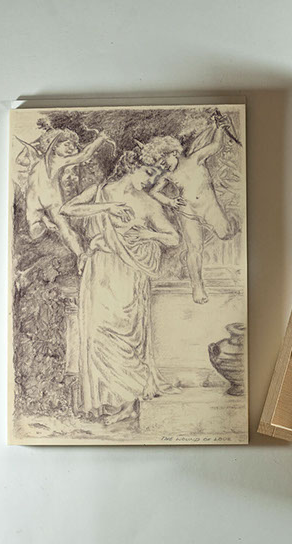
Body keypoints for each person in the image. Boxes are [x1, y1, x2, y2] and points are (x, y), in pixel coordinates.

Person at [59, 141, 182, 424]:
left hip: (127, 274)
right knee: (96, 334)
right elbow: (68, 209)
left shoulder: (149, 203)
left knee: (125, 337)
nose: (150, 180)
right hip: (99, 270)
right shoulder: (100, 191)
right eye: (148, 172)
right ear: (131, 166)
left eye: (155, 175)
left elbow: (173, 237)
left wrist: (149, 235)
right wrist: (108, 206)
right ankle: (110, 401)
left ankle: (129, 405)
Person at [146, 112, 238, 304]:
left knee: (226, 234)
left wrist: (220, 129)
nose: (162, 166)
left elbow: (215, 146)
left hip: (209, 207)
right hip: (187, 212)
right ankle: (197, 287)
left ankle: (229, 226)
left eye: (163, 161)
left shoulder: (195, 158)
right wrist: (170, 202)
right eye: (158, 164)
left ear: (173, 153)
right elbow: (154, 192)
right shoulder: (167, 176)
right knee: (194, 248)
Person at [23, 128, 115, 272]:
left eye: (72, 145)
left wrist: (100, 139)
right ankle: (79, 254)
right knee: (43, 231)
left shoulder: (47, 160)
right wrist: (101, 138)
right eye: (67, 144)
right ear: (54, 146)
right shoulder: (46, 160)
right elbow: (85, 154)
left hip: (46, 201)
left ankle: (81, 255)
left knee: (64, 230)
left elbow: (85, 154)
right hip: (39, 202)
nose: (71, 148)